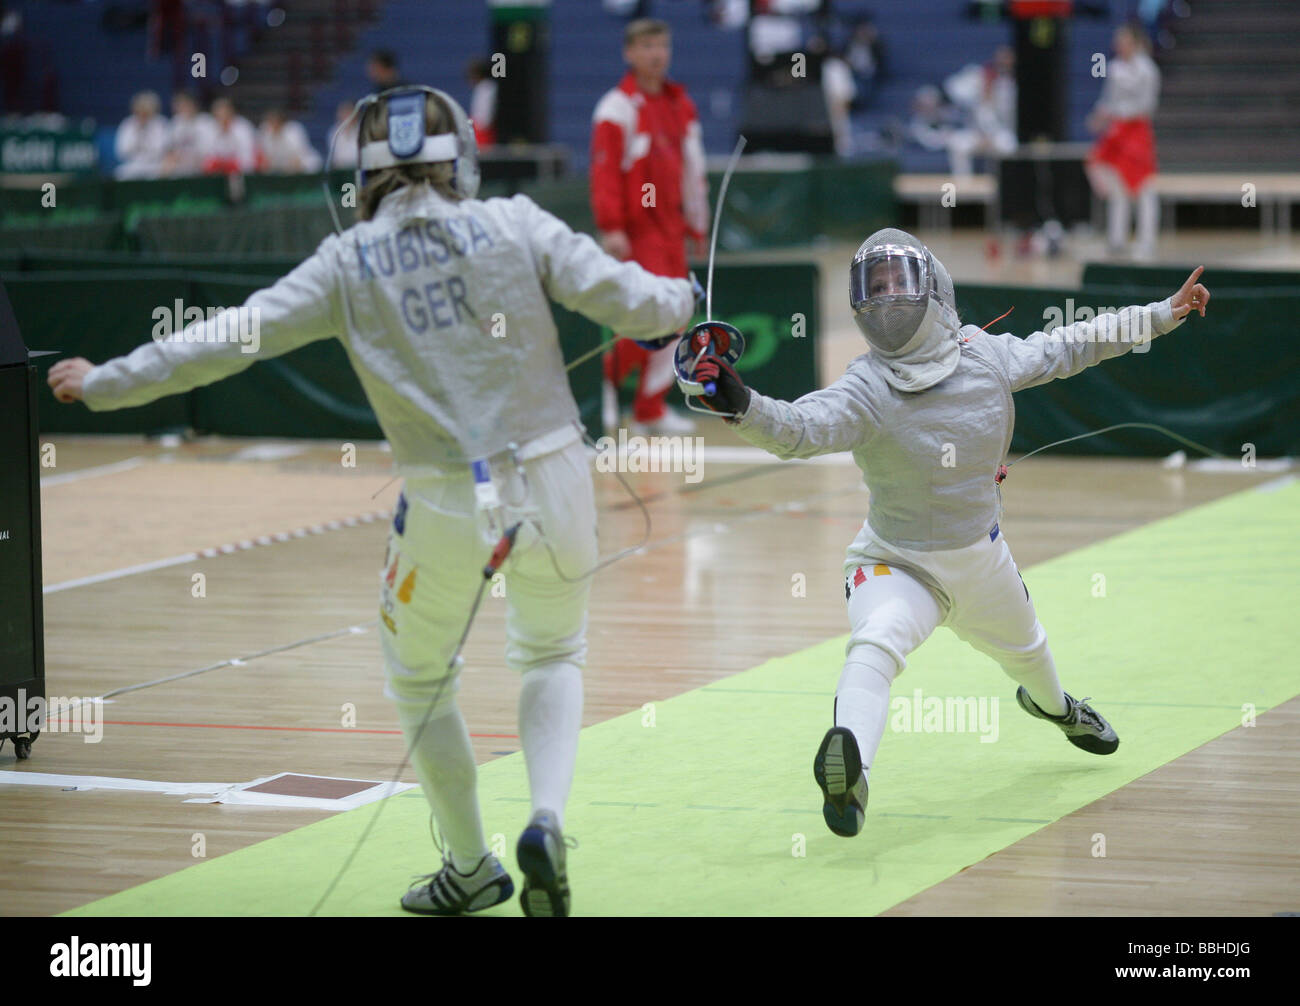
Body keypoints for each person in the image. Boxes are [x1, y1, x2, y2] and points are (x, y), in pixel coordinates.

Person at [47, 86, 695, 918]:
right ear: (457, 155)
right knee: (551, 654)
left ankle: (470, 864)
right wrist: (684, 301)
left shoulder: (344, 262)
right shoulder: (518, 221)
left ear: (365, 175)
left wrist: (106, 383)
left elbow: (228, 338)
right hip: (559, 475)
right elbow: (636, 303)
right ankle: (545, 819)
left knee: (421, 676)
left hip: (444, 503)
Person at [681, 228, 1210, 837]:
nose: (884, 299)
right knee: (875, 644)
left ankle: (1058, 708)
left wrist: (1163, 314)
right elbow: (800, 428)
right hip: (895, 563)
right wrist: (739, 402)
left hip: (982, 563)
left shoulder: (986, 354)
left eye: (895, 283)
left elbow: (1074, 343)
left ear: (932, 286)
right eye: (872, 289)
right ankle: (850, 778)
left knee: (1032, 655)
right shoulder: (866, 388)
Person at [591, 17, 709, 435]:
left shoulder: (681, 103)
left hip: (672, 228)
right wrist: (612, 226)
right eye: (646, 47)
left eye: (661, 45)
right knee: (646, 316)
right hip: (638, 232)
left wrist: (698, 224)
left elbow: (692, 170)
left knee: (677, 317)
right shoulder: (615, 108)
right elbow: (604, 171)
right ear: (630, 53)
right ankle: (601, 386)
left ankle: (649, 408)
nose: (656, 54)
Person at [1087, 24, 1161, 260]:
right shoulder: (1115, 68)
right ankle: (1116, 239)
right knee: (1117, 187)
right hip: (1118, 132)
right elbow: (1108, 99)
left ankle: (1146, 241)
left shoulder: (1147, 70)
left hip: (1137, 133)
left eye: (1124, 40)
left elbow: (1146, 106)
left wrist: (1117, 113)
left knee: (1143, 189)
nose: (1119, 45)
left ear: (1135, 42)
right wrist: (1100, 116)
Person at [944, 45, 1016, 177]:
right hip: (976, 135)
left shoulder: (1008, 87)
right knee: (957, 143)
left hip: (998, 136)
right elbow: (952, 88)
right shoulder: (977, 76)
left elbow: (1008, 119)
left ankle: (1001, 183)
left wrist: (991, 137)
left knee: (1009, 146)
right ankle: (963, 185)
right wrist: (977, 88)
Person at [114, 91, 169, 179]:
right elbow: (121, 151)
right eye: (140, 110)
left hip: (155, 165)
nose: (143, 113)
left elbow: (162, 149)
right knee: (120, 172)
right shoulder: (127, 124)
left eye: (146, 110)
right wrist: (138, 134)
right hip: (133, 165)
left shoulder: (161, 123)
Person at [161, 91, 215, 176]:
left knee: (208, 163)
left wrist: (191, 157)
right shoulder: (176, 122)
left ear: (193, 105)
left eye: (186, 105)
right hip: (181, 161)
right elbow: (169, 147)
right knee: (166, 165)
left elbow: (209, 148)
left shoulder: (205, 121)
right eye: (180, 106)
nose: (183, 109)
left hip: (200, 160)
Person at [201, 97, 257, 174]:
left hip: (239, 169)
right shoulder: (209, 128)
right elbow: (206, 153)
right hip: (216, 169)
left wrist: (232, 164)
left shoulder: (243, 127)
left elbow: (248, 155)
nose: (223, 114)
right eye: (219, 111)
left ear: (232, 111)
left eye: (226, 110)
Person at [258, 108, 323, 173]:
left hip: (304, 164)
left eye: (275, 122)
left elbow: (297, 157)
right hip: (281, 168)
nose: (272, 126)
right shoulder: (266, 131)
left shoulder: (294, 130)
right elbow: (265, 158)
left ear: (280, 122)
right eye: (270, 122)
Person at [465, 57, 497, 150]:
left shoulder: (486, 89)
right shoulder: (483, 88)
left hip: (485, 137)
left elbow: (484, 121)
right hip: (480, 135)